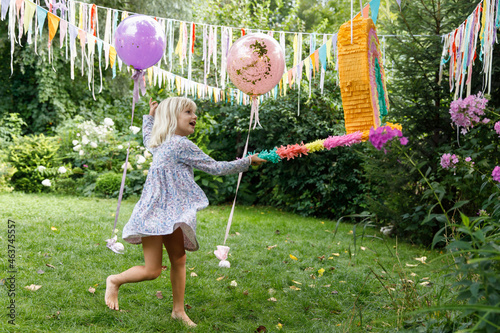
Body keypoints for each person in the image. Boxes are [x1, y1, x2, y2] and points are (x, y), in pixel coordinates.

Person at [105, 97, 266, 327]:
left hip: (167, 214)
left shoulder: (159, 142)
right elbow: (216, 167)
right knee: (153, 270)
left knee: (178, 259)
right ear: (171, 118)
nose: (195, 116)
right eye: (188, 112)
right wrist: (247, 161)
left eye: (194, 112)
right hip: (155, 214)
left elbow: (146, 136)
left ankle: (178, 311)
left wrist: (150, 117)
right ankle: (115, 281)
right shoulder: (179, 144)